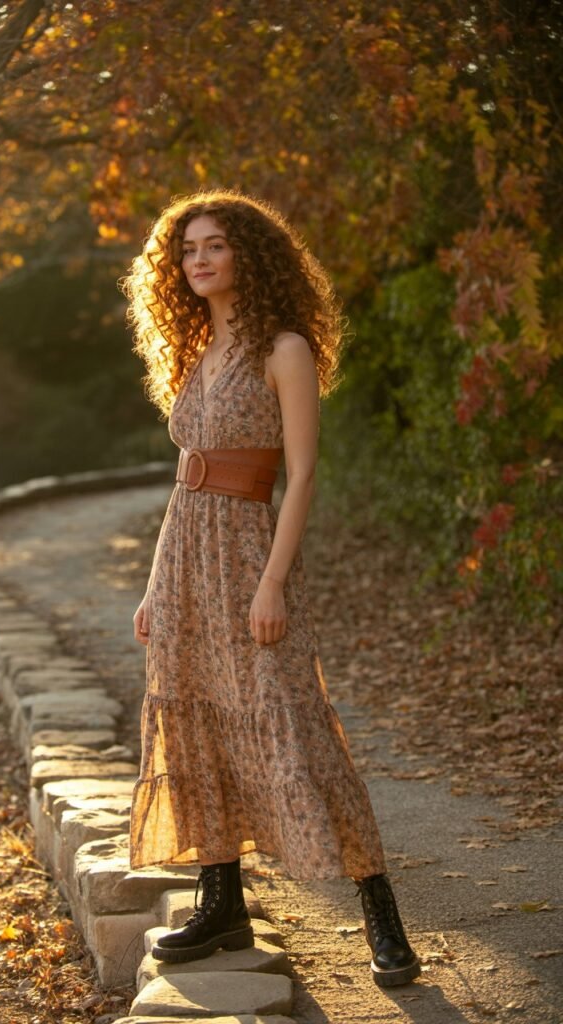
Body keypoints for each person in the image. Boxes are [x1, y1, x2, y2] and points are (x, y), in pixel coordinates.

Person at [121, 189, 420, 988]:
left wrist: (273, 584)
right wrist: (156, 585)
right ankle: (222, 907)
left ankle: (381, 915)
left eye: (216, 244)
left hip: (250, 556)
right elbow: (185, 483)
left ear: (250, 254)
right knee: (198, 732)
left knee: (296, 729)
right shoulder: (192, 352)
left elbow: (303, 474)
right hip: (187, 561)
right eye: (188, 250)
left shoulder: (283, 348)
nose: (199, 260)